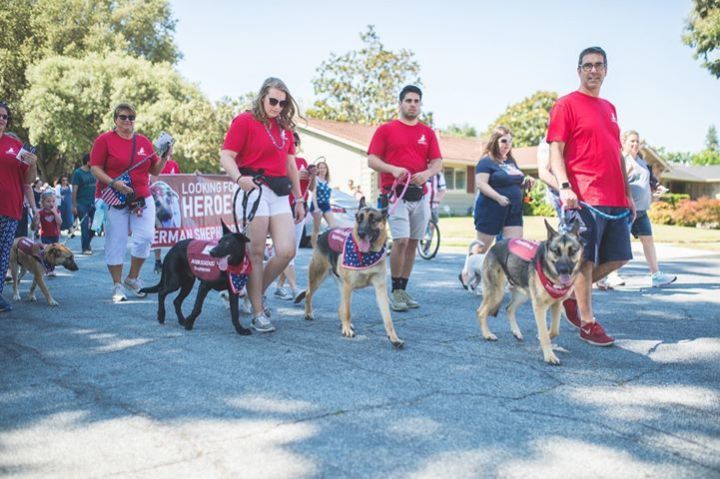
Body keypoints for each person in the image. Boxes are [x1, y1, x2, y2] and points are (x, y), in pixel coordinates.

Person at [547, 46, 636, 347]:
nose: (593, 70)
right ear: (579, 70)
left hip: (614, 198)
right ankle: (587, 322)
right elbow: (555, 151)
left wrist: (628, 194)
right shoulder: (566, 105)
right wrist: (564, 186)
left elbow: (618, 155)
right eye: (588, 65)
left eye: (599, 65)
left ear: (606, 70)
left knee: (619, 257)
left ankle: (569, 293)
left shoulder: (610, 107)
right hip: (583, 196)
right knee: (584, 260)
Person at [219, 77, 305, 333]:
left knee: (287, 251)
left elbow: (291, 165)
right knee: (255, 253)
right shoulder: (245, 121)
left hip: (279, 192)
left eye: (282, 102)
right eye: (273, 101)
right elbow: (226, 155)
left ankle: (250, 293)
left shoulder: (284, 127)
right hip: (253, 189)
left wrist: (299, 199)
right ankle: (258, 312)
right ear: (262, 97)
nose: (277, 106)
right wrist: (238, 178)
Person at [367, 85, 443, 311]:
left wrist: (427, 173)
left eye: (416, 101)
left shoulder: (427, 133)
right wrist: (392, 169)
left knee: (413, 242)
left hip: (420, 196)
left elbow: (437, 162)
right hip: (395, 195)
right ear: (400, 103)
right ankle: (394, 291)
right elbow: (372, 160)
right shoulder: (386, 130)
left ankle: (403, 289)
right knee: (400, 241)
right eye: (408, 100)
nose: (413, 104)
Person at [90, 103, 169, 303]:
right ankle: (117, 285)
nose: (127, 121)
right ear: (115, 119)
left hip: (141, 197)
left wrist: (165, 156)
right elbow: (95, 168)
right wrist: (113, 183)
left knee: (145, 237)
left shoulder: (143, 141)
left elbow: (155, 171)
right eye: (123, 117)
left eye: (131, 117)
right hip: (115, 197)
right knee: (116, 241)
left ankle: (133, 278)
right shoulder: (104, 140)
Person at [460, 126, 533, 287]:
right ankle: (468, 271)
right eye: (503, 141)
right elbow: (481, 184)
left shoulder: (511, 161)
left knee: (514, 246)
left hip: (513, 210)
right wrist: (498, 197)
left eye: (510, 141)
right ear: (495, 141)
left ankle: (505, 279)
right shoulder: (486, 161)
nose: (507, 145)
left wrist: (526, 181)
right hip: (491, 209)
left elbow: (514, 180)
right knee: (482, 247)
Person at [620, 130, 677, 287]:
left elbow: (649, 181)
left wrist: (655, 189)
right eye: (632, 141)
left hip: (641, 210)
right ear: (623, 142)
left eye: (637, 141)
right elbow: (615, 183)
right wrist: (624, 173)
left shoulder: (642, 161)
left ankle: (656, 275)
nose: (635, 144)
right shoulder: (621, 160)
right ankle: (610, 275)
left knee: (648, 240)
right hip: (625, 210)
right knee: (619, 242)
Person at [0, 101, 38, 312]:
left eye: (5, 116)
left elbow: (28, 180)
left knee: (3, 252)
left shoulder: (15, 145)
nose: (1, 119)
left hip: (9, 208)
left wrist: (32, 164)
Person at [274, 132, 314, 300]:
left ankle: (279, 286)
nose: (294, 146)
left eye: (296, 143)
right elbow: (281, 180)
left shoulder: (302, 162)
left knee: (293, 251)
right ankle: (294, 287)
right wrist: (295, 176)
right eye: (292, 142)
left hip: (300, 206)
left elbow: (310, 188)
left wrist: (311, 176)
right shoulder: (279, 161)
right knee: (286, 249)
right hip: (283, 206)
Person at [152, 153, 182, 272]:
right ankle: (158, 261)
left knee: (175, 231)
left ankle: (175, 261)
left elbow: (180, 180)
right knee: (158, 232)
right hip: (157, 203)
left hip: (170, 202)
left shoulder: (174, 165)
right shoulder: (155, 164)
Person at [71, 153, 97, 255]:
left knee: (96, 226)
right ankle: (85, 248)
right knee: (85, 226)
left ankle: (87, 242)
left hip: (93, 203)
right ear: (88, 162)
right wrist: (74, 206)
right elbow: (74, 190)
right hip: (82, 204)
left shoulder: (94, 171)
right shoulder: (78, 173)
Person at [309, 158, 336, 247]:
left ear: (327, 169)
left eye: (324, 168)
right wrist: (316, 208)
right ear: (317, 169)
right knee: (316, 229)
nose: (322, 169)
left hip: (326, 205)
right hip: (317, 204)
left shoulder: (328, 181)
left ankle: (329, 245)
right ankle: (314, 248)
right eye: (320, 167)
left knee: (333, 226)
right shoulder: (316, 179)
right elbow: (313, 193)